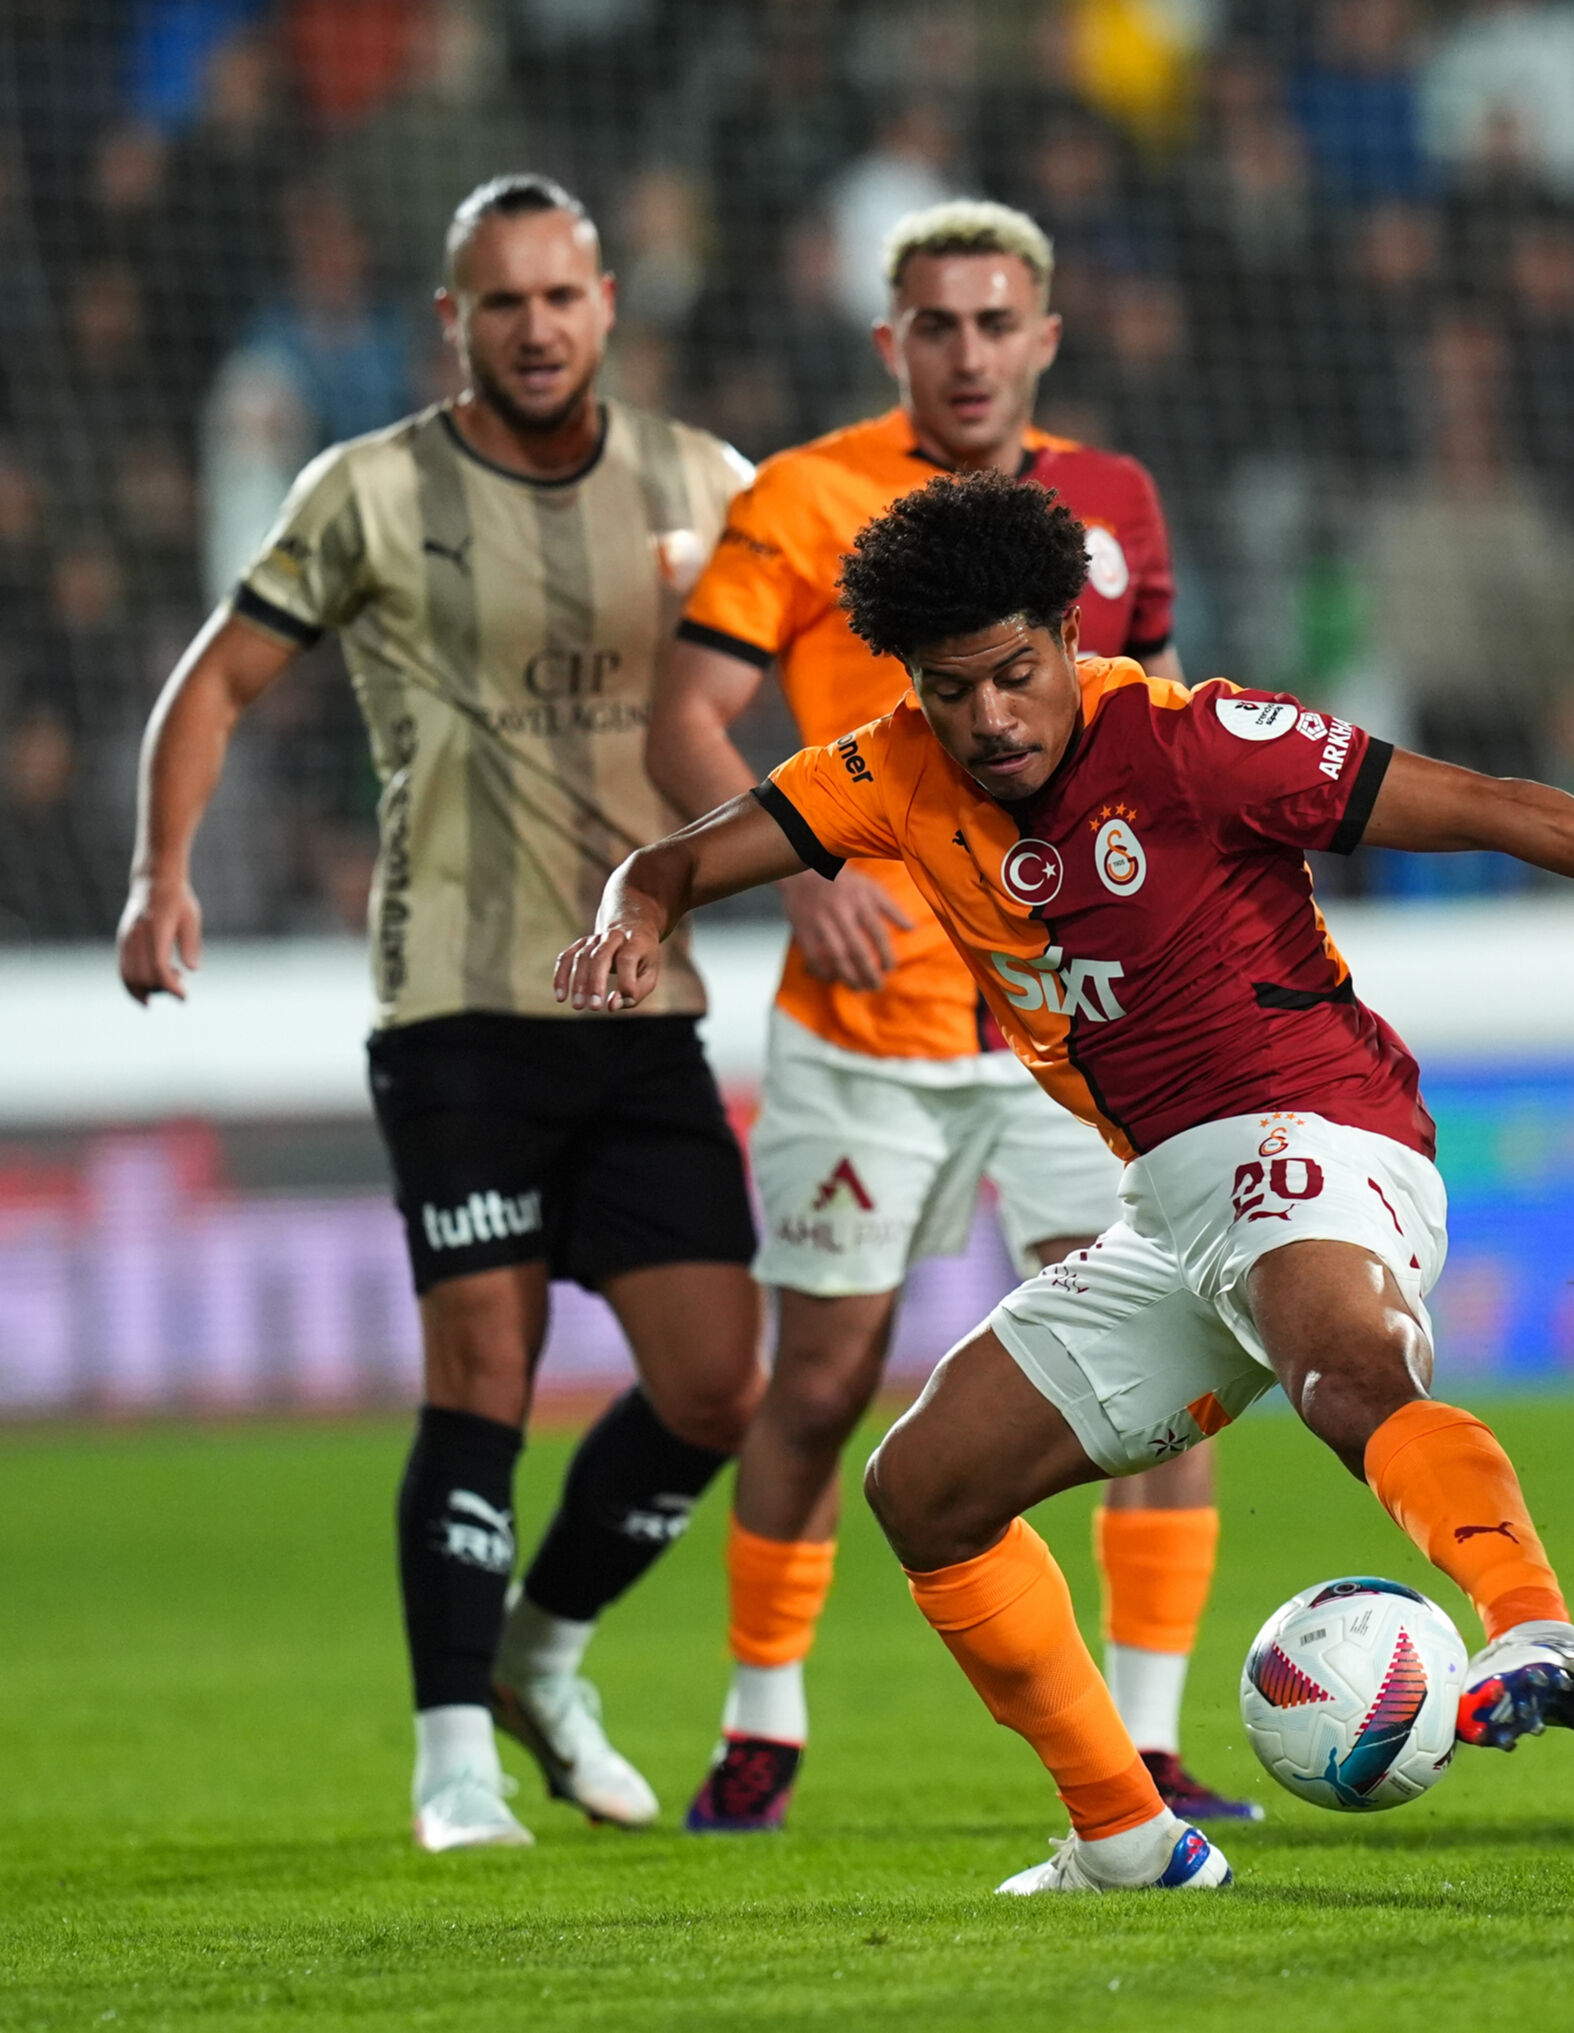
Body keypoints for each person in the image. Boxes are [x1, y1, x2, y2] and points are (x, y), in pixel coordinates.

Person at [555, 470, 1574, 1892]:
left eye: (1017, 674)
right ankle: (1124, 1834)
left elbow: (1493, 805)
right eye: (952, 688)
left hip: (1320, 1131)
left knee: (1345, 1368)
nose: (991, 719)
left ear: (1069, 631)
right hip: (1171, 1207)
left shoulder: (1197, 740)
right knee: (925, 1489)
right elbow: (670, 861)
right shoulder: (889, 766)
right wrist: (631, 916)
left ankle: (1532, 1620)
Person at [118, 176, 764, 1852]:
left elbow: (836, 653)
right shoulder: (369, 491)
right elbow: (218, 678)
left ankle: (547, 1658)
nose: (535, 327)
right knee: (484, 1358)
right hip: (455, 1004)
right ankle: (453, 1753)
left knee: (716, 1384)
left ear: (608, 302)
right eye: (502, 303)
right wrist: (158, 871)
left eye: (561, 297)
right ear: (452, 320)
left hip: (645, 998)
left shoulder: (709, 484)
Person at [650, 198, 1256, 1833]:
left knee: (1149, 1367)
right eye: (938, 325)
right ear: (890, 342)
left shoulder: (1113, 502)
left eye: (998, 324)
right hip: (869, 1021)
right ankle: (761, 1718)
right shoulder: (803, 498)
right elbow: (685, 716)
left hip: (1080, 1026)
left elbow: (1168, 731)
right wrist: (795, 879)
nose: (969, 352)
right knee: (827, 1375)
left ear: (1046, 337)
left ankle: (1152, 1733)